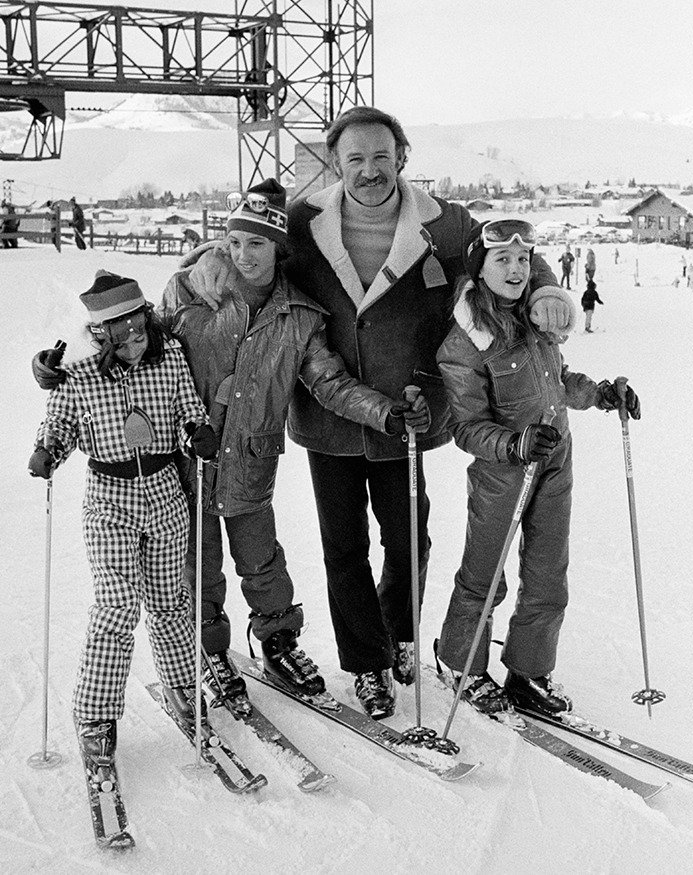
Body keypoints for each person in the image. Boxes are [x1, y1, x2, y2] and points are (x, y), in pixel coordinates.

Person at [182, 107, 575, 720]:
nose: (369, 170)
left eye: (381, 156)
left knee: (408, 539)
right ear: (336, 162)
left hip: (410, 412)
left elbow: (511, 249)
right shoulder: (303, 219)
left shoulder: (446, 224)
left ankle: (400, 638)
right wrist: (208, 259)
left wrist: (547, 288)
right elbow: (245, 240)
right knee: (344, 547)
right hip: (327, 412)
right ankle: (366, 662)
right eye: (355, 158)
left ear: (402, 157)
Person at [155, 178, 428, 712]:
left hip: (252, 464)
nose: (242, 255)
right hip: (189, 460)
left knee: (263, 562)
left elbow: (329, 383)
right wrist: (69, 367)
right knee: (200, 562)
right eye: (232, 243)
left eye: (255, 244)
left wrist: (385, 413)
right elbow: (137, 343)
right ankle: (209, 648)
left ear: (279, 250)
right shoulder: (192, 294)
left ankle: (278, 640)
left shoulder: (299, 316)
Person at [435, 220, 641, 719]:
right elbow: (466, 428)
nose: (516, 269)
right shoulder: (465, 343)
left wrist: (601, 394)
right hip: (502, 474)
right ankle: (459, 664)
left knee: (549, 575)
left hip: (554, 463)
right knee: (484, 577)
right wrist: (514, 443)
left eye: (523, 259)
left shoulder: (536, 321)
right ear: (480, 269)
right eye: (502, 259)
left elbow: (559, 380)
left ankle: (528, 670)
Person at [28, 270, 217, 769]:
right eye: (122, 336)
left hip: (164, 494)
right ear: (101, 335)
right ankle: (96, 713)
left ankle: (181, 687)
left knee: (170, 601)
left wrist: (196, 430)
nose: (134, 343)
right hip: (109, 498)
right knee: (117, 606)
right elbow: (61, 422)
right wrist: (48, 449)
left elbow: (186, 408)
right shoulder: (81, 373)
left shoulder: (169, 356)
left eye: (140, 330)